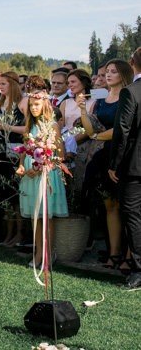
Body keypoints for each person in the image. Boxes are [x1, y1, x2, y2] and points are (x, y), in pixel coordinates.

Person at [79, 59, 134, 271]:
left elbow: (123, 128)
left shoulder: (128, 96)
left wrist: (97, 135)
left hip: (121, 154)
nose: (108, 75)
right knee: (109, 205)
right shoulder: (102, 98)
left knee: (126, 207)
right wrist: (83, 111)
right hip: (102, 154)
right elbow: (90, 128)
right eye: (106, 72)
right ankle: (113, 253)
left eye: (113, 72)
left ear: (124, 74)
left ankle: (129, 255)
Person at [16, 93, 68, 267]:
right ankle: (38, 251)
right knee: (34, 216)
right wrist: (22, 165)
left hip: (46, 175)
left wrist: (39, 168)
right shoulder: (30, 125)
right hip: (30, 175)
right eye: (31, 105)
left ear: (45, 105)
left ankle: (46, 254)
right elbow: (24, 149)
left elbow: (60, 155)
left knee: (46, 216)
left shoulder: (52, 125)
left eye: (37, 104)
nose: (33, 108)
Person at [109, 47, 141, 288]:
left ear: (132, 64)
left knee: (133, 216)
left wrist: (115, 164)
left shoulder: (131, 92)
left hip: (134, 166)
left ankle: (139, 269)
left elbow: (122, 132)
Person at [0, 71, 26, 247]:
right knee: (3, 195)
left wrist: (7, 126)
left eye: (3, 84)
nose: (0, 87)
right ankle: (7, 233)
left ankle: (19, 234)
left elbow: (29, 128)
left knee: (14, 195)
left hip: (15, 152)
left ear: (13, 84)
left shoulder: (22, 102)